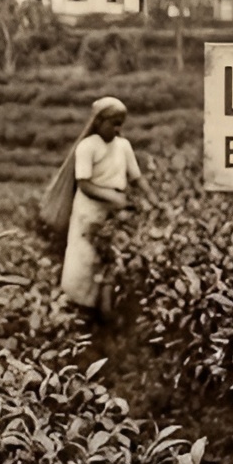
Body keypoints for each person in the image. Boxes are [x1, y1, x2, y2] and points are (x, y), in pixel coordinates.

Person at [59, 95, 143, 317]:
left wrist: (152, 198)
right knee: (84, 259)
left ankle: (104, 311)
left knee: (111, 259)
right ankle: (79, 306)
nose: (116, 129)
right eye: (112, 123)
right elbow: (85, 184)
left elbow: (136, 177)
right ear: (98, 122)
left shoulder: (123, 146)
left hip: (113, 212)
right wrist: (114, 198)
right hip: (89, 210)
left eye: (120, 125)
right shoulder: (87, 147)